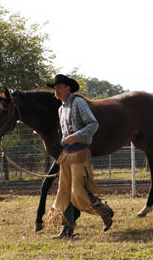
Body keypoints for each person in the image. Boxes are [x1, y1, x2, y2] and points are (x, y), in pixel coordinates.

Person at [46, 74, 113, 239]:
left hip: (80, 152)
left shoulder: (79, 103)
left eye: (59, 87)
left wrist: (77, 136)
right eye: (55, 88)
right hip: (67, 154)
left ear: (68, 88)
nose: (56, 91)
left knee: (79, 191)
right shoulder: (61, 109)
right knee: (64, 192)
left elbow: (93, 124)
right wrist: (63, 141)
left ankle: (105, 211)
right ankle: (67, 228)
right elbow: (65, 133)